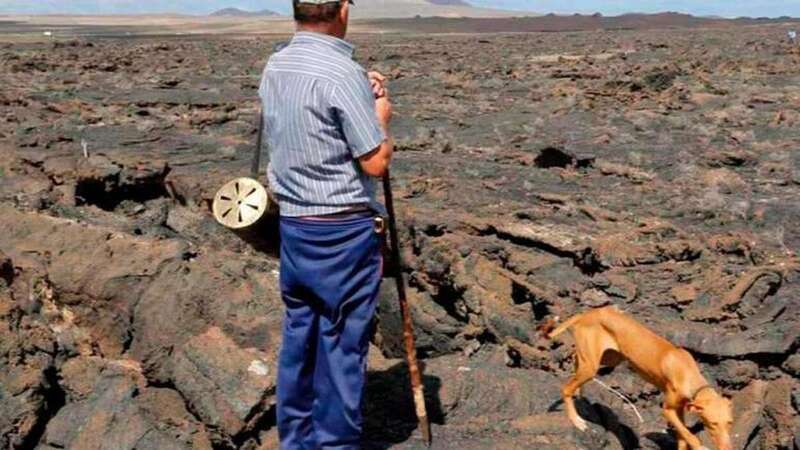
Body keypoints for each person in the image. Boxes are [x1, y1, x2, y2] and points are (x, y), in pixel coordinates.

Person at [257, 0, 394, 448]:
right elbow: (375, 162)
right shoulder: (339, 73)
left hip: (295, 226)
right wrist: (381, 116)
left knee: (301, 336)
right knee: (342, 344)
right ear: (342, 9)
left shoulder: (276, 64)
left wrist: (361, 91)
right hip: (342, 231)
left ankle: (295, 440)